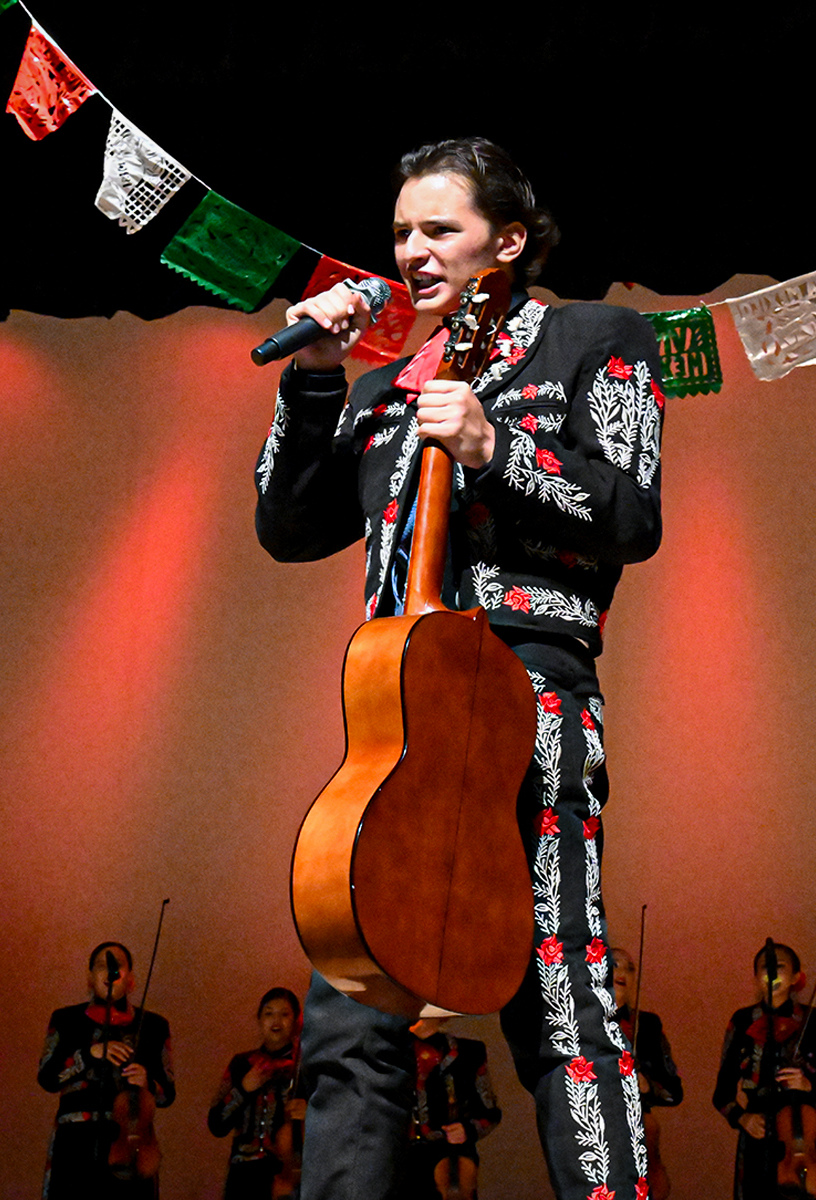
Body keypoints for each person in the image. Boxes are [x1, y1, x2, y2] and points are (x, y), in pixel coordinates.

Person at [255, 136, 665, 1200]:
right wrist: (313, 374)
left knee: (560, 993)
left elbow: (632, 514)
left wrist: (498, 451)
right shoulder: (388, 383)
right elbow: (289, 527)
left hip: (527, 696)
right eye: (401, 233)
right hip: (399, 715)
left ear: (509, 241)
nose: (412, 251)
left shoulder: (592, 338)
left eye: (439, 228)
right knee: (352, 999)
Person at [37, 941, 174, 1200]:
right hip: (76, 1141)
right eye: (101, 966)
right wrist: (89, 1054)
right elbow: (47, 1078)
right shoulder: (66, 1020)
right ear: (90, 978)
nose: (109, 972)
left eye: (117, 966)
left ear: (130, 979)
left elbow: (168, 1094)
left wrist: (147, 1082)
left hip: (130, 1143)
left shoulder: (154, 1026)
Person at [712, 942, 816, 1200]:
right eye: (764, 968)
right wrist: (742, 1118)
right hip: (757, 1135)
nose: (771, 973)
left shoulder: (815, 1020)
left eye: (779, 966)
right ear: (756, 978)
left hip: (801, 1133)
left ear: (796, 977)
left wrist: (807, 1085)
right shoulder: (741, 1021)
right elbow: (722, 1094)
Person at [207, 987, 304, 1200]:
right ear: (259, 1019)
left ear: (296, 1021)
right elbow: (216, 1123)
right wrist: (244, 1089)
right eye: (269, 1013)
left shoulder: (303, 1067)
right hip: (243, 1174)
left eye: (284, 1014)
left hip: (285, 1173)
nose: (276, 1021)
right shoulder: (242, 1064)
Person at [403, 1016, 501, 1200]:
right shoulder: (391, 1051)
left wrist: (468, 1129)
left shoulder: (469, 1052)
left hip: (449, 1157)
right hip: (402, 1157)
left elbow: (490, 1112)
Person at [611, 946, 680, 1200]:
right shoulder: (577, 1023)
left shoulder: (648, 1025)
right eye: (614, 964)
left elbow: (674, 1090)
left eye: (630, 968)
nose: (623, 972)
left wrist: (646, 1085)